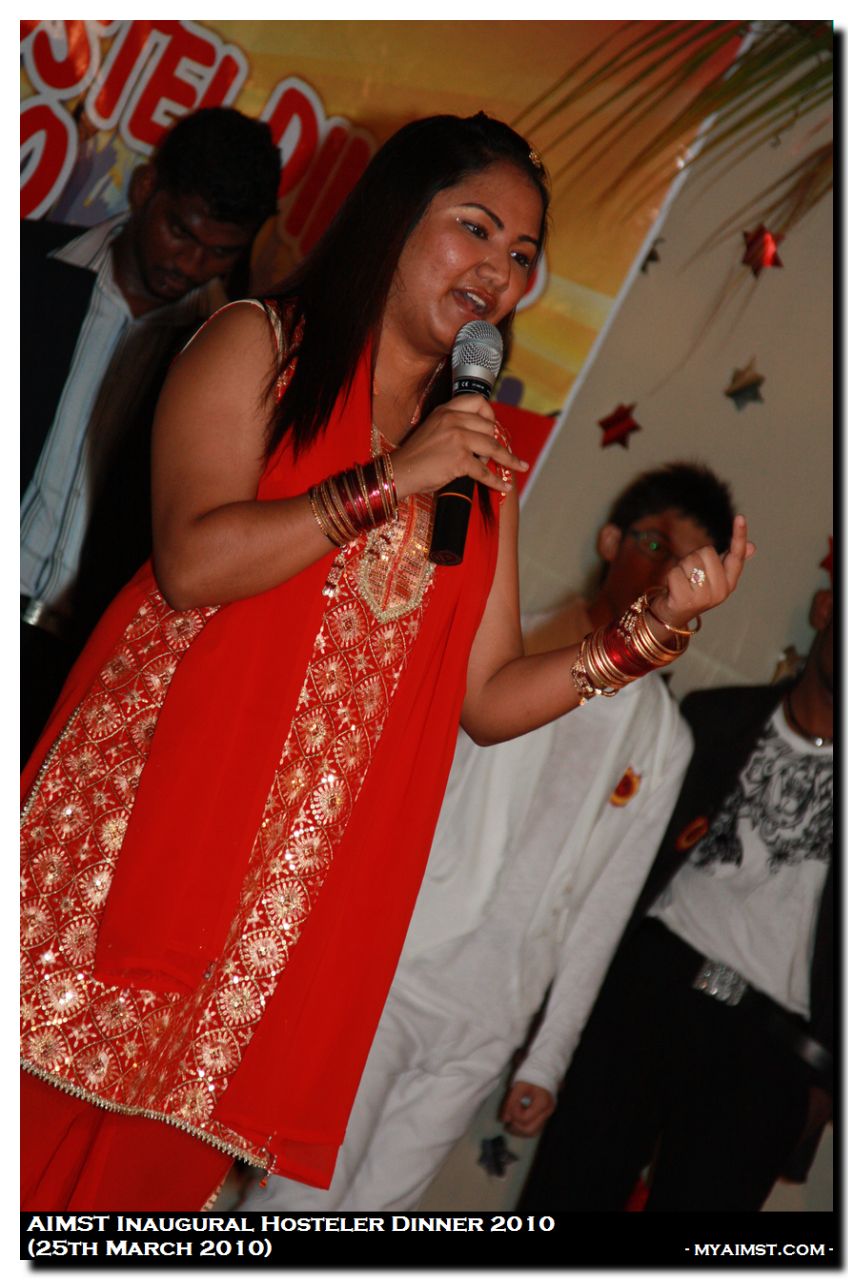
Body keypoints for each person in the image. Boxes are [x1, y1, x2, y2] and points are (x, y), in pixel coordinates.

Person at [20, 112, 752, 1213]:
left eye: (521, 254)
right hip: (143, 840)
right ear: (395, 219)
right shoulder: (258, 345)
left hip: (276, 912)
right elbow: (193, 560)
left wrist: (643, 635)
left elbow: (487, 697)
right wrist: (389, 480)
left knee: (146, 1202)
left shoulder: (476, 461)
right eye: (476, 228)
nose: (499, 270)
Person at [238, 462, 736, 1213]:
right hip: (397, 972)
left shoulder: (664, 738)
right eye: (654, 545)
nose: (667, 575)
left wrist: (546, 1056)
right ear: (610, 541)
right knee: (298, 1195)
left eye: (690, 566)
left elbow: (602, 909)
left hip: (492, 1015)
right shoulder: (507, 646)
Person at [517, 579, 832, 1212]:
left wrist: (824, 1080)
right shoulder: (714, 719)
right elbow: (622, 869)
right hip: (645, 989)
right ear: (827, 606)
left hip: (768, 1049)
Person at [21, 106, 281, 758]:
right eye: (179, 231)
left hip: (80, 668)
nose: (191, 263)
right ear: (145, 188)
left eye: (221, 251)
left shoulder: (229, 354)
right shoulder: (22, 266)